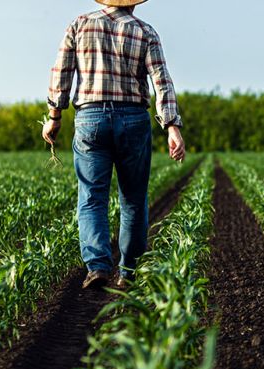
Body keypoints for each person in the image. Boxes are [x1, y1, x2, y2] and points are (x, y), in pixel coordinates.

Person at [41, 0, 186, 290]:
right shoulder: (146, 32)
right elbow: (162, 82)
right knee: (133, 198)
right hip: (133, 118)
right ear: (134, 3)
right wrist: (172, 126)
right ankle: (128, 271)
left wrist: (54, 116)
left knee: (92, 196)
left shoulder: (79, 24)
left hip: (90, 119)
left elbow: (61, 73)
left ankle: (97, 267)